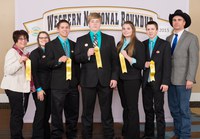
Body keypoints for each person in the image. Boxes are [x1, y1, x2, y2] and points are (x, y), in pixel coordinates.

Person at [75, 13, 118, 139]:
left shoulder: (109, 39)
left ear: (100, 23)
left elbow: (114, 61)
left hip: (106, 81)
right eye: (92, 21)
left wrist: (114, 77)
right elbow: (76, 59)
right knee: (87, 112)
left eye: (97, 21)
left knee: (107, 111)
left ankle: (109, 136)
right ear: (88, 23)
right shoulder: (81, 40)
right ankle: (86, 136)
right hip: (88, 81)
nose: (95, 24)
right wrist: (86, 54)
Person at [166, 9, 199, 139]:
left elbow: (193, 59)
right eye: (174, 20)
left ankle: (185, 135)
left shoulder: (191, 38)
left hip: (184, 80)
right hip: (170, 80)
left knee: (183, 110)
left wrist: (190, 78)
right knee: (174, 109)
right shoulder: (168, 39)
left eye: (179, 20)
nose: (176, 22)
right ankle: (178, 132)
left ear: (184, 23)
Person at [45, 20, 80, 139]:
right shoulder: (50, 45)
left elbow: (77, 65)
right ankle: (56, 135)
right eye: (62, 27)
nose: (65, 29)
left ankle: (71, 134)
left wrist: (78, 82)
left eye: (67, 27)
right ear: (58, 29)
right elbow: (48, 63)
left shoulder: (74, 44)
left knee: (73, 112)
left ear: (69, 29)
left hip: (72, 85)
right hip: (58, 85)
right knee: (56, 113)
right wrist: (58, 61)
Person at [142, 21, 171, 139]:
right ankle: (148, 134)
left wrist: (165, 82)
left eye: (152, 29)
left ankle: (160, 135)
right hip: (146, 83)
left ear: (157, 30)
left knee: (159, 110)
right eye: (148, 29)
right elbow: (140, 63)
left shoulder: (164, 44)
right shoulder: (142, 44)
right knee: (148, 109)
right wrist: (144, 64)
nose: (150, 31)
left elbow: (167, 65)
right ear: (146, 31)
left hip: (159, 83)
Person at [117, 21, 145, 139]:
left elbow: (140, 64)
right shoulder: (119, 44)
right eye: (124, 28)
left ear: (133, 30)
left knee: (132, 107)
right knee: (125, 106)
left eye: (128, 28)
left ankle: (133, 135)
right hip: (121, 79)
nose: (125, 30)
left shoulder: (138, 44)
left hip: (132, 79)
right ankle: (126, 131)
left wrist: (127, 56)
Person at [1, 30, 31, 139]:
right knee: (17, 115)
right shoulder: (12, 52)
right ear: (16, 40)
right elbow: (8, 70)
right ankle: (16, 137)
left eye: (25, 38)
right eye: (20, 39)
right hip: (15, 88)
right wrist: (19, 61)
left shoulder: (26, 52)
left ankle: (17, 135)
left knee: (19, 114)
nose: (23, 41)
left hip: (23, 88)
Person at [29, 31, 51, 139]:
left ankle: (46, 135)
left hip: (51, 88)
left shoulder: (52, 52)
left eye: (46, 37)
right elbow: (34, 72)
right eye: (41, 38)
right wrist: (38, 88)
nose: (43, 39)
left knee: (47, 114)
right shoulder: (34, 53)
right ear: (38, 40)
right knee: (40, 114)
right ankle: (37, 136)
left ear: (49, 39)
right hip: (40, 88)